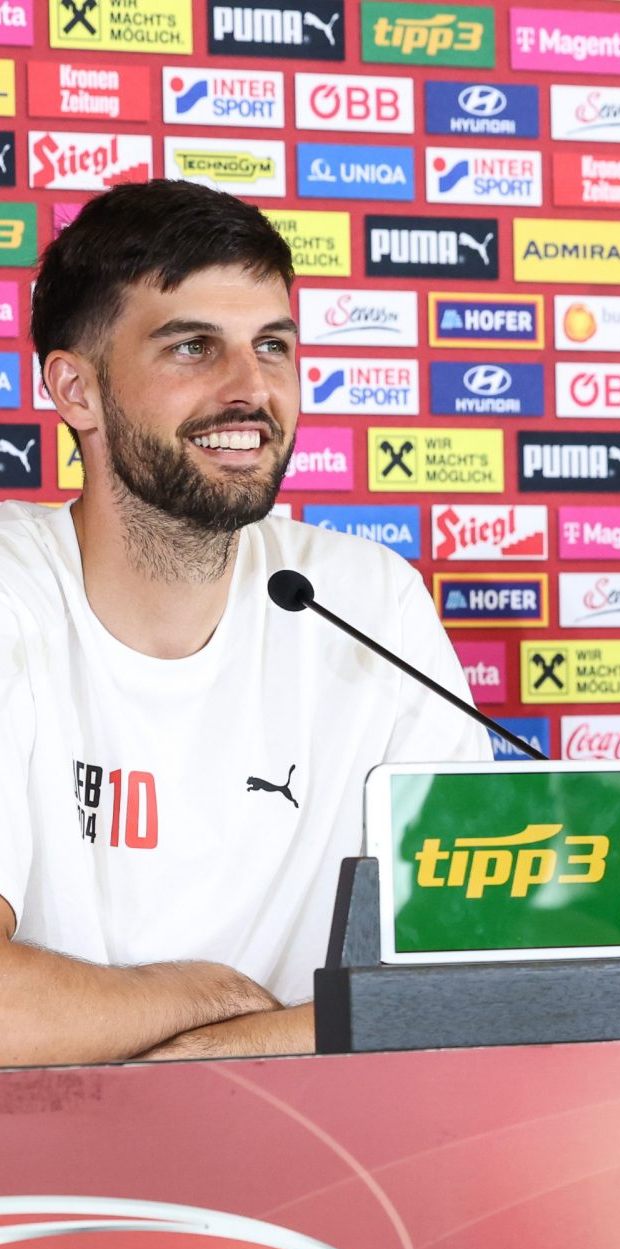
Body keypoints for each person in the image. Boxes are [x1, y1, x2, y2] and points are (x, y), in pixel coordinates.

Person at [0, 180, 487, 1067]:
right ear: (76, 389)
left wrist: (194, 1058)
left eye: (273, 345)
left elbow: (465, 978)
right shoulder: (10, 591)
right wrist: (211, 995)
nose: (250, 389)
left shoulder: (369, 602)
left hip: (325, 1169)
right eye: (193, 347)